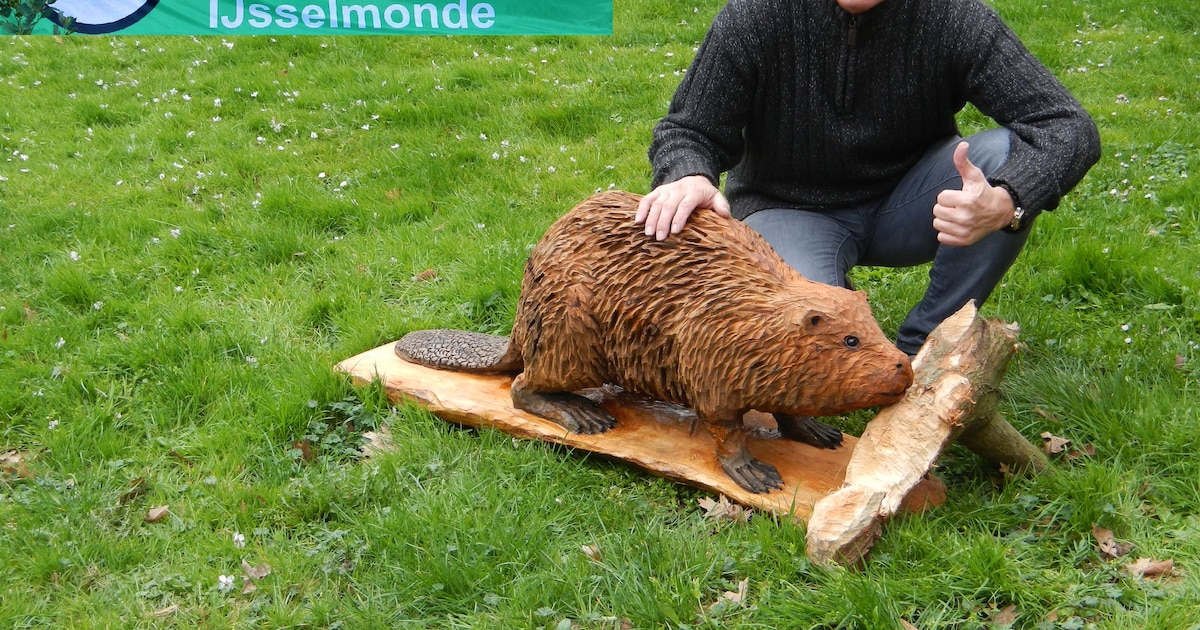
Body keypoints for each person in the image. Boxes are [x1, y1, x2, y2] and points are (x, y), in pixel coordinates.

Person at [636, 0, 1101, 356]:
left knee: (1003, 156)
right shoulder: (756, 15)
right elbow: (689, 128)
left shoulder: (954, 17)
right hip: (787, 208)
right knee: (813, 340)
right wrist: (687, 172)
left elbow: (1066, 125)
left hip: (909, 202)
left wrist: (1008, 201)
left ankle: (929, 345)